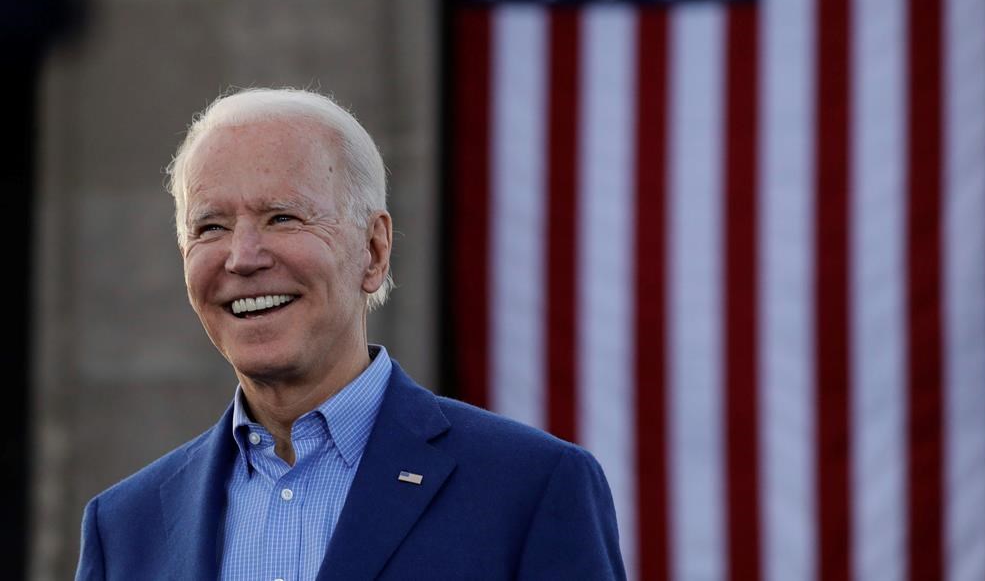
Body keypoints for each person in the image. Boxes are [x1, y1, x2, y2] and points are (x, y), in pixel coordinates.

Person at [75, 88, 625, 580]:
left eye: (282, 217)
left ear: (374, 250)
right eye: (211, 227)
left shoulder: (529, 488)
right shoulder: (124, 526)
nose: (242, 258)